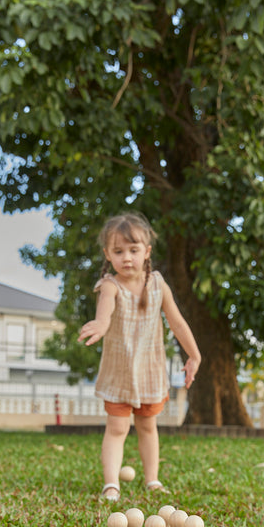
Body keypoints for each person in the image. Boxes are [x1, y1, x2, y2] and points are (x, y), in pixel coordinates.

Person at [78, 212, 201, 501]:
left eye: (133, 250)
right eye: (119, 252)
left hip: (149, 371)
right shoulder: (110, 284)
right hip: (119, 372)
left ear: (146, 252)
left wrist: (194, 355)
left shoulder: (158, 284)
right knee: (117, 427)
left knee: (148, 426)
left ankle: (152, 480)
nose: (127, 258)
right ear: (108, 255)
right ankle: (111, 483)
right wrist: (100, 324)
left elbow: (178, 321)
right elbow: (105, 311)